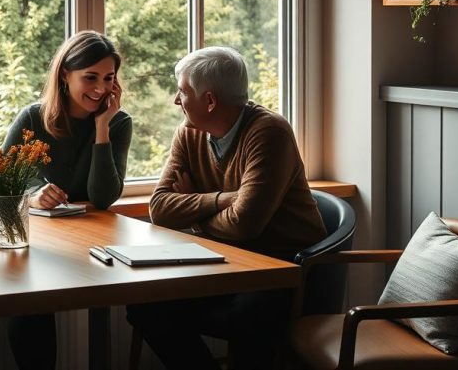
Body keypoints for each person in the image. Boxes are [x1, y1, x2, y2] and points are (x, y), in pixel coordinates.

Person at [126, 46, 325, 370]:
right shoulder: (189, 133)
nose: (177, 101)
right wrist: (222, 199)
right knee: (144, 306)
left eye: (182, 92)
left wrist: (196, 215)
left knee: (249, 319)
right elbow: (160, 208)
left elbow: (245, 225)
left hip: (282, 269)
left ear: (210, 101)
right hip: (224, 265)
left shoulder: (269, 133)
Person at [2, 30, 133, 370]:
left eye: (109, 78)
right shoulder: (33, 118)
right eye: (90, 77)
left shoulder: (118, 124)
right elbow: (0, 186)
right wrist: (31, 197)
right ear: (65, 74)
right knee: (30, 305)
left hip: (95, 245)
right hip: (40, 245)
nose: (101, 88)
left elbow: (103, 198)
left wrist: (102, 127)